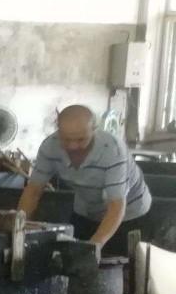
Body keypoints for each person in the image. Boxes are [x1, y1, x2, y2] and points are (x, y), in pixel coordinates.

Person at [18, 105, 154, 257]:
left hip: (129, 212)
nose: (73, 146)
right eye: (66, 139)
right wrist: (18, 228)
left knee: (114, 262)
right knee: (73, 257)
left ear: (94, 130)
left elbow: (116, 206)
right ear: (58, 130)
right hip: (87, 209)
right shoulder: (50, 147)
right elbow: (33, 191)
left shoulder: (112, 150)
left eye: (80, 139)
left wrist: (93, 247)